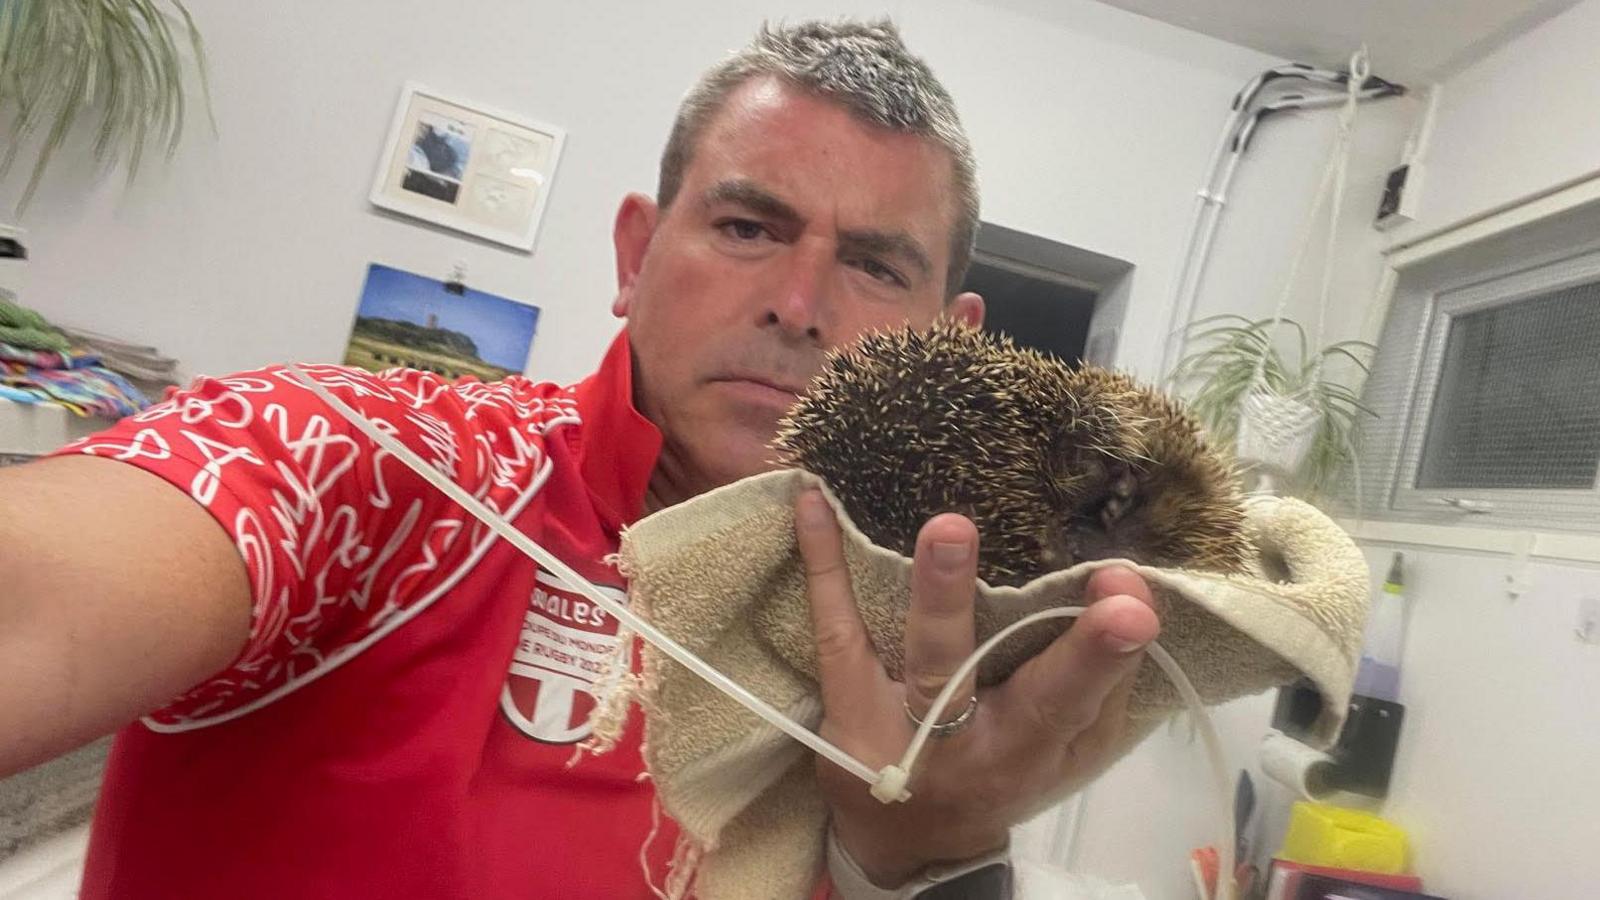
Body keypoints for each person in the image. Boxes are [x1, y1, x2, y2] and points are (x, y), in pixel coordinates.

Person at [0, 19, 1159, 899]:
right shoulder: (382, 469)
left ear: (942, 349)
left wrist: (931, 856)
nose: (799, 305)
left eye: (874, 266)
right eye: (749, 228)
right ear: (637, 253)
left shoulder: (955, 646)